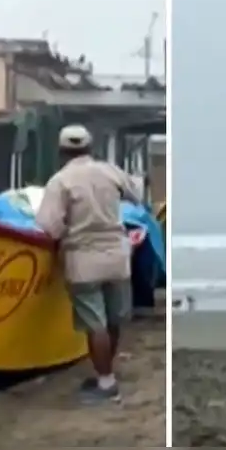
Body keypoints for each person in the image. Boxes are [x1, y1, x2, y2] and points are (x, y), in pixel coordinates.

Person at [35, 124, 143, 404]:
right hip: (117, 257)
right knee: (113, 320)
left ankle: (106, 383)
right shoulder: (110, 171)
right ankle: (106, 374)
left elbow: (50, 225)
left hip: (83, 259)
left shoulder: (60, 181)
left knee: (96, 324)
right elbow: (137, 195)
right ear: (90, 148)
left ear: (61, 152)